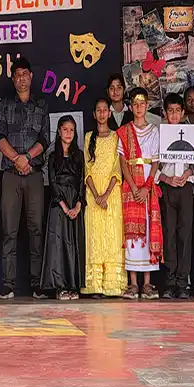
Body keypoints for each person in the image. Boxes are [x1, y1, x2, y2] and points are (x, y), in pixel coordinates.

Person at [0, 57, 50, 299]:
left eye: (25, 73)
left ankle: (37, 284)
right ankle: (8, 285)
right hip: (11, 175)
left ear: (31, 76)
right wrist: (17, 159)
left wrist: (27, 158)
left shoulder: (41, 104)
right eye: (17, 75)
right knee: (9, 230)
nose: (21, 78)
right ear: (13, 78)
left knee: (36, 229)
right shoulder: (5, 103)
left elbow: (45, 139)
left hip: (35, 175)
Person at [118, 87, 162, 299]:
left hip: (147, 185)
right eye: (135, 104)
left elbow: (155, 162)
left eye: (142, 103)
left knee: (148, 229)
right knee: (131, 233)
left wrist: (146, 186)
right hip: (130, 186)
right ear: (130, 107)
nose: (138, 107)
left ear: (147, 105)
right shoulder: (124, 131)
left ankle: (147, 283)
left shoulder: (154, 131)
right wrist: (134, 188)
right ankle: (133, 283)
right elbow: (122, 162)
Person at [82, 98, 126, 298]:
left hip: (112, 192)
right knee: (95, 236)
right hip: (93, 193)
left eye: (104, 110)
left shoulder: (117, 136)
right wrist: (96, 195)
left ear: (109, 113)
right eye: (98, 110)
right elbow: (87, 169)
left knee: (112, 236)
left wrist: (106, 194)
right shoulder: (88, 137)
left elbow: (118, 168)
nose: (101, 113)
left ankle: (113, 285)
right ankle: (95, 285)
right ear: (94, 114)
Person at [39, 116, 85, 300]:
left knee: (73, 244)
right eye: (65, 129)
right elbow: (52, 183)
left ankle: (73, 285)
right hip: (59, 205)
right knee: (59, 245)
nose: (68, 133)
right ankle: (59, 287)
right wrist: (65, 207)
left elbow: (81, 181)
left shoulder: (79, 155)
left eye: (71, 130)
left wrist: (78, 205)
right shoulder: (52, 157)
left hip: (75, 202)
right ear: (59, 132)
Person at [158, 93, 194, 299]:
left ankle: (183, 282)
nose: (173, 114)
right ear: (165, 113)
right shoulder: (159, 134)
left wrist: (187, 174)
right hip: (168, 187)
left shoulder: (191, 133)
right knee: (169, 234)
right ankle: (170, 282)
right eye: (170, 110)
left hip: (186, 188)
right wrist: (166, 178)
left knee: (185, 235)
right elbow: (154, 166)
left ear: (183, 113)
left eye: (177, 111)